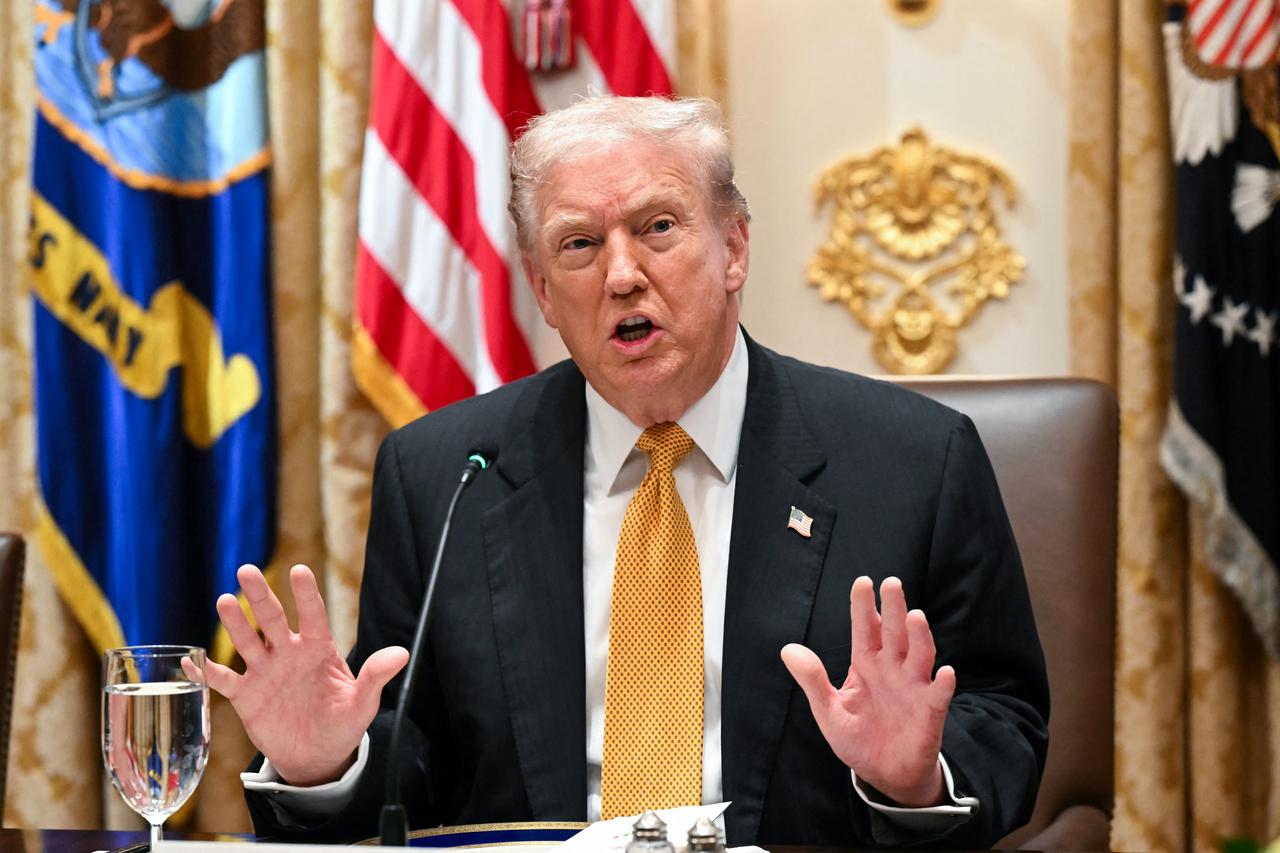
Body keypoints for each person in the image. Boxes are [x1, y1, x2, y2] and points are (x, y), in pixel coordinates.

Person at [209, 96, 1049, 848]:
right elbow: (415, 766)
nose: (620, 274)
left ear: (734, 249)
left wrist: (916, 779)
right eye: (578, 245)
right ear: (541, 289)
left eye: (658, 227)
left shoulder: (912, 462)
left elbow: (1004, 713)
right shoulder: (443, 474)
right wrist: (328, 764)